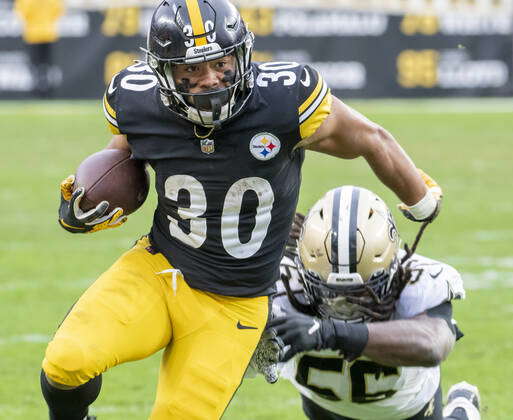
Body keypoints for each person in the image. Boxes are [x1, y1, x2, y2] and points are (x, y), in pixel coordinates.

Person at [41, 0, 443, 419]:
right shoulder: (139, 102)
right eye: (190, 70)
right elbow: (120, 161)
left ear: (243, 54)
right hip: (159, 271)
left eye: (220, 63)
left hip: (236, 303)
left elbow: (369, 138)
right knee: (66, 361)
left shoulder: (283, 101)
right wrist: (81, 202)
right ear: (164, 73)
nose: (210, 79)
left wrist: (421, 197)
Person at [264, 186, 480, 420]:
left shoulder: (415, 279)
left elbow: (433, 344)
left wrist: (329, 332)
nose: (343, 304)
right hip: (323, 405)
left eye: (362, 292)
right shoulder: (281, 281)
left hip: (406, 408)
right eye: (328, 290)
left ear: (392, 267)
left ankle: (462, 411)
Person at [14, 0, 64, 98]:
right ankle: (48, 90)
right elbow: (58, 10)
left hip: (33, 34)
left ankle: (38, 91)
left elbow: (22, 12)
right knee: (47, 64)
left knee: (35, 65)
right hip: (48, 33)